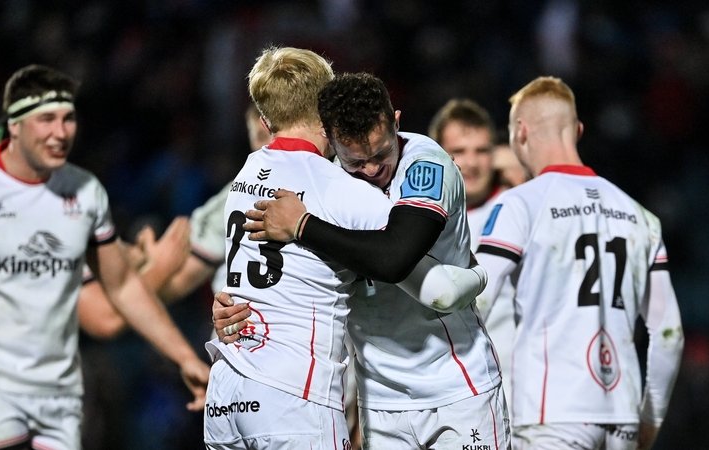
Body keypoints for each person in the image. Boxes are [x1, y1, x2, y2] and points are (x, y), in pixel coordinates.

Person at [226, 72, 508, 449]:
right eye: (357, 161)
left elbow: (394, 259)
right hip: (379, 399)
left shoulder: (426, 165)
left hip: (456, 387)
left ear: (395, 123)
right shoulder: (327, 185)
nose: (373, 170)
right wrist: (234, 305)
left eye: (380, 154)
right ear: (330, 139)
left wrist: (303, 225)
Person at [0, 64, 209, 450]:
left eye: (67, 119)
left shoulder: (76, 199)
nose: (60, 132)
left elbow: (118, 281)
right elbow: (104, 315)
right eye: (46, 120)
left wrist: (183, 353)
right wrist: (160, 265)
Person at [474, 76, 683, 449]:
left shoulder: (520, 204)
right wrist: (650, 418)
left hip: (551, 413)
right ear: (578, 130)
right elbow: (669, 336)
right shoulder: (641, 217)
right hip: (622, 414)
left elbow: (477, 302)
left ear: (519, 132)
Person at [428, 98, 527, 415]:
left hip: (516, 393)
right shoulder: (418, 220)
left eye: (482, 150)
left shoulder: (520, 207)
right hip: (443, 392)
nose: (471, 162)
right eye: (459, 151)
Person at [156, 104, 270, 305]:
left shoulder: (335, 186)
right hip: (240, 330)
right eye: (261, 136)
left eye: (278, 133)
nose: (272, 145)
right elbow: (176, 283)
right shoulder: (234, 198)